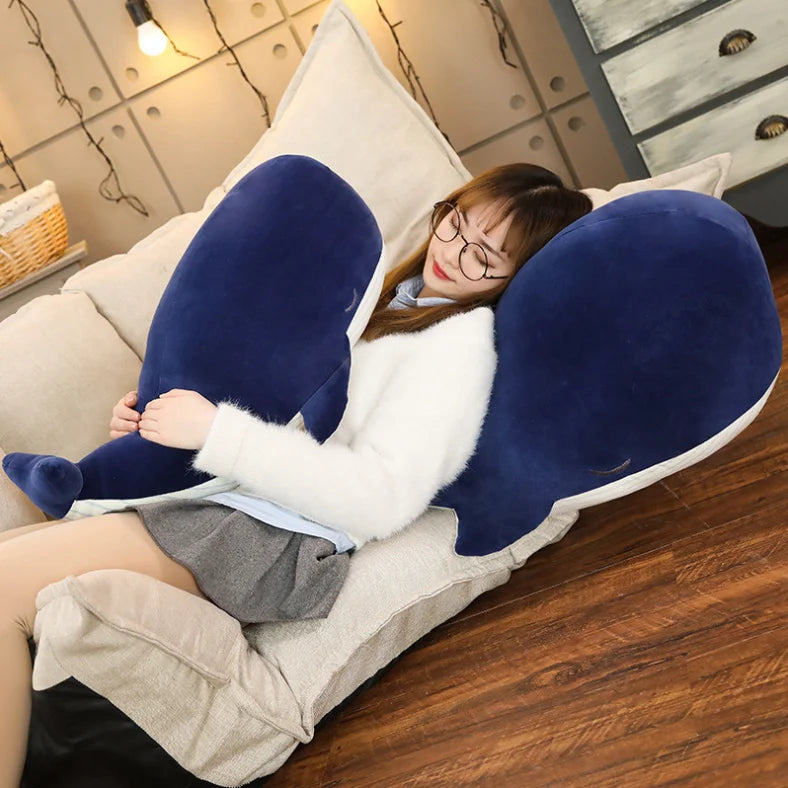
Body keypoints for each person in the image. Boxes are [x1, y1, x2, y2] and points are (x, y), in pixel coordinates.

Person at [0, 162, 592, 786]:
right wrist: (155, 425)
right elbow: (284, 396)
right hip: (226, 499)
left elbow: (381, 497)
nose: (452, 253)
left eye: (484, 256)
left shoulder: (457, 351)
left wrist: (216, 434)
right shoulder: (390, 292)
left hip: (267, 538)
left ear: (513, 279)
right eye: (457, 222)